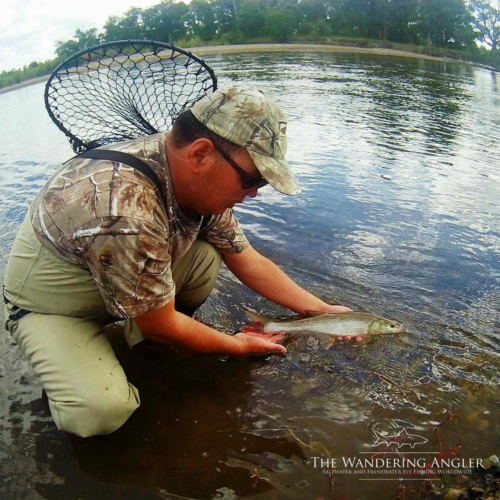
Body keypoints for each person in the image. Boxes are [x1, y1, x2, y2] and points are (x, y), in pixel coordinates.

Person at [3, 86, 350, 438]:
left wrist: (319, 311)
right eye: (252, 178)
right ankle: (75, 360)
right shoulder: (125, 207)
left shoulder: (191, 176)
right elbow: (159, 322)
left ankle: (143, 343)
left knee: (206, 257)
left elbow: (248, 259)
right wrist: (238, 344)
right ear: (200, 154)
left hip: (117, 275)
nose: (255, 192)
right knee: (100, 410)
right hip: (53, 306)